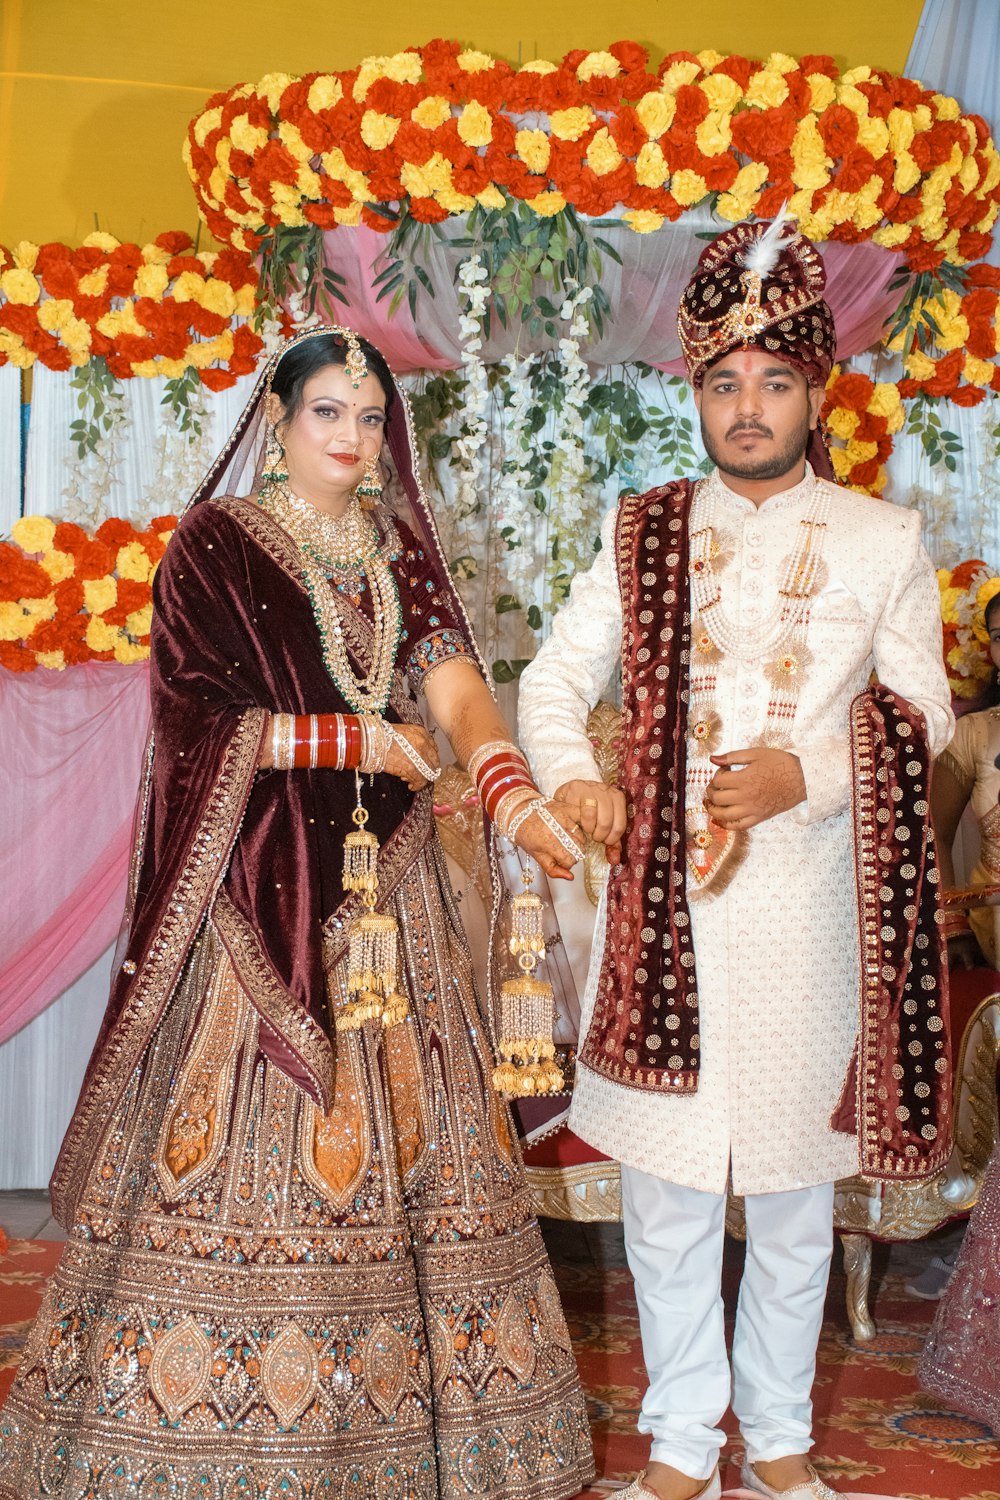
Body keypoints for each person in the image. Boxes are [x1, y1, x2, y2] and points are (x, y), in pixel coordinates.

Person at [0, 327, 594, 1500]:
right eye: (327, 412)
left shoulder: (396, 548)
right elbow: (191, 722)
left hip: (395, 883)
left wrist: (507, 783)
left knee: (424, 1137)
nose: (352, 437)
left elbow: (454, 679)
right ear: (276, 420)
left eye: (370, 419)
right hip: (259, 888)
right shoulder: (216, 547)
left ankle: (438, 1442)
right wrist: (347, 740)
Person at [518, 217, 955, 1500]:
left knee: (791, 1204)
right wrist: (579, 778)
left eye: (773, 381)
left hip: (811, 912)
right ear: (695, 396)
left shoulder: (883, 537)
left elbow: (919, 712)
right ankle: (675, 1446)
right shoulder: (641, 529)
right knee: (659, 1201)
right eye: (723, 382)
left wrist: (803, 777)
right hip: (662, 918)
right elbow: (552, 678)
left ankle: (773, 1444)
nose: (747, 406)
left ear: (816, 391)